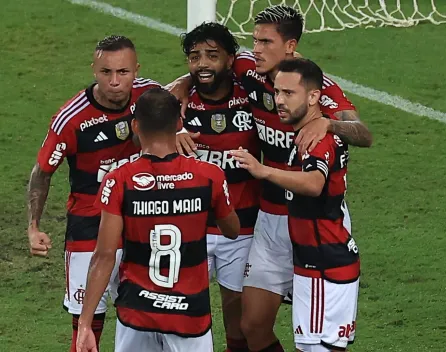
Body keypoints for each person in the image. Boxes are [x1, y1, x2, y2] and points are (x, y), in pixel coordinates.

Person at [169, 6, 370, 351]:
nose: (256, 49)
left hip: (316, 221)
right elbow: (207, 67)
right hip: (270, 220)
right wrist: (182, 85)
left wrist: (329, 123)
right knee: (252, 325)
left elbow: (363, 133)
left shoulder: (318, 86)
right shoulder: (249, 69)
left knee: (316, 339)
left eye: (265, 41)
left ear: (290, 45)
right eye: (254, 40)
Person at [76, 87, 240, 352]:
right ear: (178, 123)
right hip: (190, 314)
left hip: (137, 311)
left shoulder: (119, 180)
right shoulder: (209, 175)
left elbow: (104, 255)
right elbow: (232, 230)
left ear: (135, 125)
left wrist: (85, 323)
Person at [26, 35, 160, 351]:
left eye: (123, 72)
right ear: (94, 70)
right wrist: (33, 227)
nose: (115, 82)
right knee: (86, 322)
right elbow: (42, 172)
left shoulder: (151, 95)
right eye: (105, 72)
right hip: (90, 223)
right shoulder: (71, 119)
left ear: (136, 70)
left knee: (148, 315)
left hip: (141, 219)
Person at [231, 58, 360, 352]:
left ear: (314, 97)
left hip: (324, 265)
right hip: (316, 261)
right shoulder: (308, 134)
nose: (279, 101)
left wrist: (263, 171)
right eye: (277, 93)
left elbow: (314, 183)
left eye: (288, 94)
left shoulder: (318, 140)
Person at [180, 22, 260, 352]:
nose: (202, 64)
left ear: (230, 59)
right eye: (194, 56)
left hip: (241, 227)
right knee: (182, 313)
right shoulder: (178, 106)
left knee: (238, 322)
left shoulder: (253, 98)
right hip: (192, 224)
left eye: (212, 55)